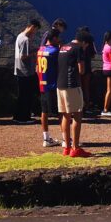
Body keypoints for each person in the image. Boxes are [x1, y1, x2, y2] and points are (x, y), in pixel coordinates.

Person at [58, 28, 91, 157]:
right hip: (72, 85)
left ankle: (66, 147)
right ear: (83, 42)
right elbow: (81, 70)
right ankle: (75, 148)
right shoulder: (78, 49)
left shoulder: (63, 47)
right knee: (77, 115)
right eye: (86, 45)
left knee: (65, 115)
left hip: (60, 85)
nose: (86, 47)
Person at [36, 27, 63, 147]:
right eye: (58, 38)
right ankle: (66, 139)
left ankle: (46, 138)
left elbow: (37, 68)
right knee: (61, 113)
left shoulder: (40, 50)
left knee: (44, 112)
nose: (59, 40)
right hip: (53, 85)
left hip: (42, 84)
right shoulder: (55, 51)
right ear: (54, 38)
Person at [13, 19, 41, 123]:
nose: (35, 32)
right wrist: (34, 53)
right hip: (26, 71)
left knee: (21, 95)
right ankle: (24, 117)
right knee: (26, 95)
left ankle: (17, 116)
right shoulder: (26, 40)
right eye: (36, 29)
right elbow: (23, 56)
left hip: (19, 70)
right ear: (32, 27)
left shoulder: (20, 36)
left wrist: (34, 49)